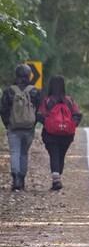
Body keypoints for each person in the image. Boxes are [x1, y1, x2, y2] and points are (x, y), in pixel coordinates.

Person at [35, 74, 80, 191]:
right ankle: (58, 175)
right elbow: (77, 114)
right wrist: (71, 125)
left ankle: (56, 179)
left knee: (54, 154)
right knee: (61, 155)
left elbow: (40, 115)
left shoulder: (47, 101)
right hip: (67, 134)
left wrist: (47, 123)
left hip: (50, 134)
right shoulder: (69, 100)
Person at [2, 63, 42, 191]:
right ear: (29, 75)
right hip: (28, 128)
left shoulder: (9, 91)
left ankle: (15, 179)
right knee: (24, 153)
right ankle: (22, 179)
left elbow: (3, 110)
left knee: (15, 152)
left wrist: (8, 124)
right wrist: (33, 123)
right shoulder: (34, 91)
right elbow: (39, 110)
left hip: (13, 127)